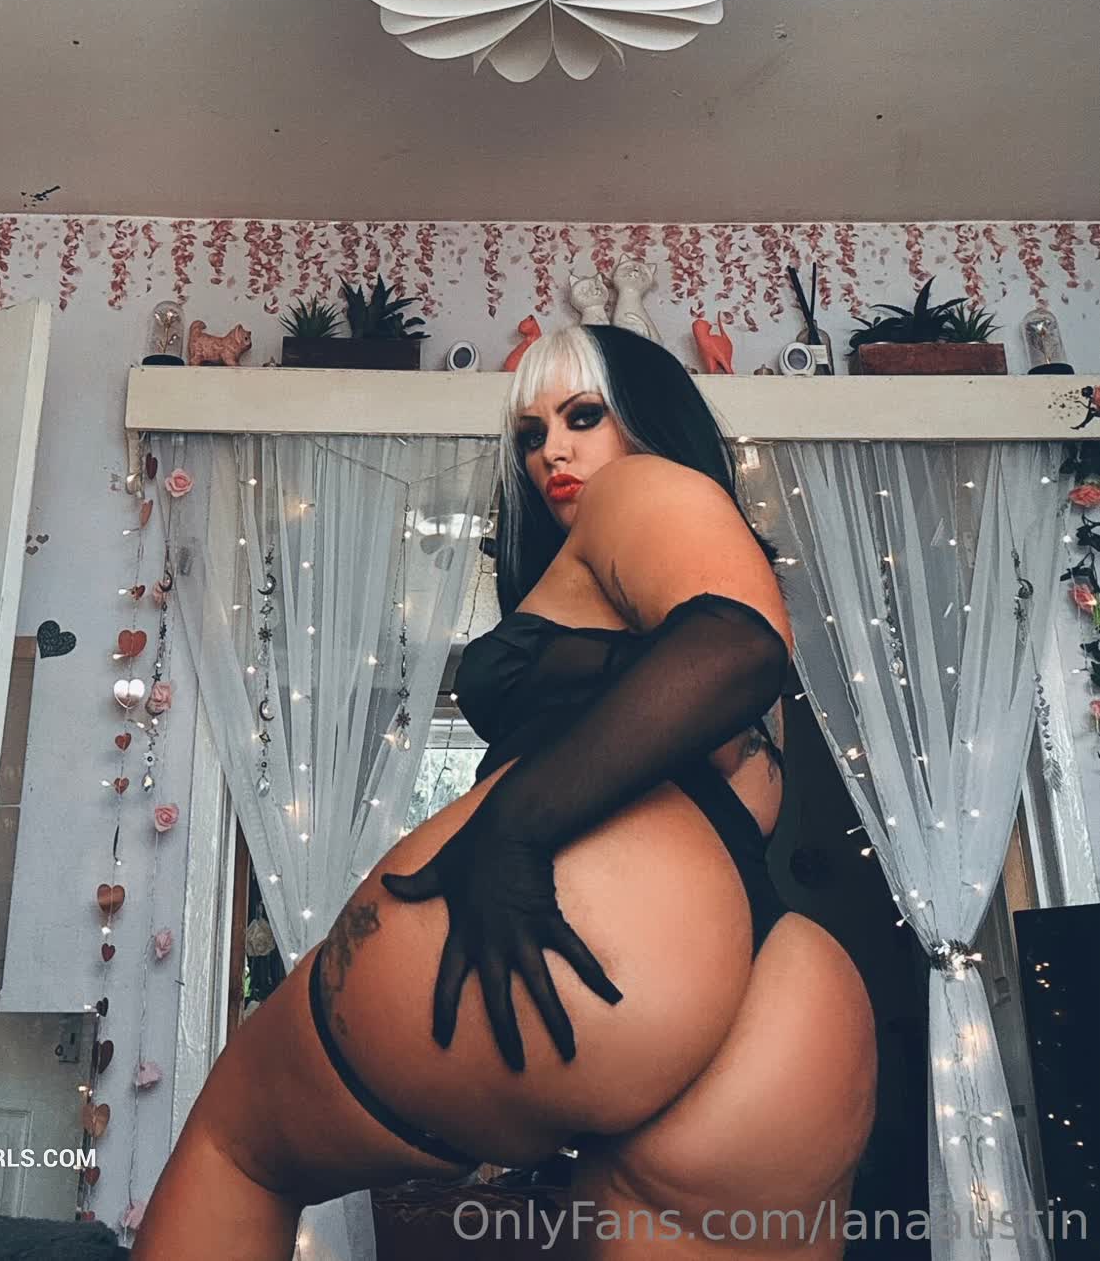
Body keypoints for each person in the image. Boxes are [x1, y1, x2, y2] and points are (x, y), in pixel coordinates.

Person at [132, 325, 877, 1259]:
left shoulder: (641, 488)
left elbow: (734, 649)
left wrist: (513, 833)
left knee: (237, 1148)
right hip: (783, 1006)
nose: (551, 452)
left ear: (648, 420)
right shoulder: (680, 561)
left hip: (573, 953)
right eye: (530, 434)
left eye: (582, 416)